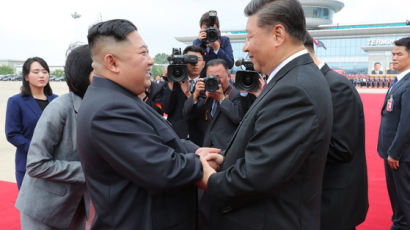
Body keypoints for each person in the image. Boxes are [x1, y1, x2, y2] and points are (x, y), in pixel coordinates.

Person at [197, 0, 333, 229]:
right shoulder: (290, 79)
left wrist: (206, 177)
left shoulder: (295, 89)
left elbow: (257, 178)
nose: (245, 48)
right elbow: (273, 155)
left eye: (250, 37)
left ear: (278, 34)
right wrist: (225, 161)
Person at [77, 19, 220, 229]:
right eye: (143, 53)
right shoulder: (108, 109)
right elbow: (162, 169)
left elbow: (163, 141)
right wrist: (199, 164)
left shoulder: (121, 97)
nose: (151, 61)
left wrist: (196, 151)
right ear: (112, 62)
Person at [15, 45, 93, 230]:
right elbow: (36, 163)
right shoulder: (60, 107)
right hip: (45, 209)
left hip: (76, 208)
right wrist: (89, 171)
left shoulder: (98, 108)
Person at [304, 33, 369, 230]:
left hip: (333, 201)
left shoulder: (336, 86)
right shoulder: (316, 83)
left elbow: (342, 148)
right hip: (316, 198)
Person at [5, 57, 57, 189]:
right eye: (36, 71)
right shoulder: (16, 101)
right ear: (26, 77)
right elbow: (12, 134)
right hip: (29, 163)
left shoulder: (56, 100)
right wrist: (36, 149)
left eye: (45, 72)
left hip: (56, 164)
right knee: (31, 208)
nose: (41, 75)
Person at [377, 36, 410, 230]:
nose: (394, 57)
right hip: (392, 153)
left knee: (404, 198)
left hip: (400, 156)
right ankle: (399, 222)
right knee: (397, 198)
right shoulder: (399, 81)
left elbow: (407, 123)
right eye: (393, 54)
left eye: (399, 54)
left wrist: (395, 152)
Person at [185, 59, 245, 150]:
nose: (215, 80)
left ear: (229, 76)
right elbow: (187, 113)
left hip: (227, 149)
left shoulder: (237, 94)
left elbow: (238, 118)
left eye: (218, 77)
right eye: (210, 77)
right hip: (208, 147)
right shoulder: (207, 94)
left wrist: (221, 98)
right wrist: (195, 94)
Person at [164, 45, 209, 145]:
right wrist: (170, 83)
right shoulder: (175, 82)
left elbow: (201, 111)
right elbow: (166, 109)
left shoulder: (209, 84)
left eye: (198, 59)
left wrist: (189, 94)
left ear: (204, 63)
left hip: (200, 139)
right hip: (176, 137)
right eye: (191, 60)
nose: (195, 63)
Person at [193, 11, 234, 77]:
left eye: (213, 28)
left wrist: (218, 49)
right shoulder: (197, 42)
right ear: (201, 28)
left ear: (218, 28)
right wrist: (199, 42)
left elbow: (230, 64)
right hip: (204, 80)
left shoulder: (224, 40)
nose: (209, 31)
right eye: (206, 28)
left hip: (221, 80)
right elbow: (194, 64)